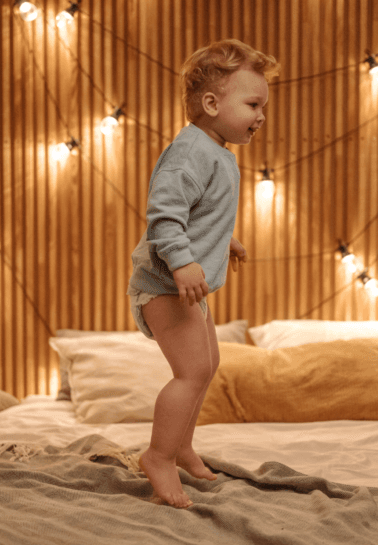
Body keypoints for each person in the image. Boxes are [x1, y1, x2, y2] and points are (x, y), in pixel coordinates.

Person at [126, 39, 279, 508]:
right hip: (164, 285)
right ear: (212, 103)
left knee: (206, 367)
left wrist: (219, 241)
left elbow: (197, 212)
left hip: (183, 285)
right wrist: (186, 260)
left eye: (263, 106)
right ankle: (158, 456)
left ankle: (182, 446)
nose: (261, 116)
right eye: (253, 104)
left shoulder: (215, 151)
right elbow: (164, 215)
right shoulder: (189, 151)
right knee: (190, 373)